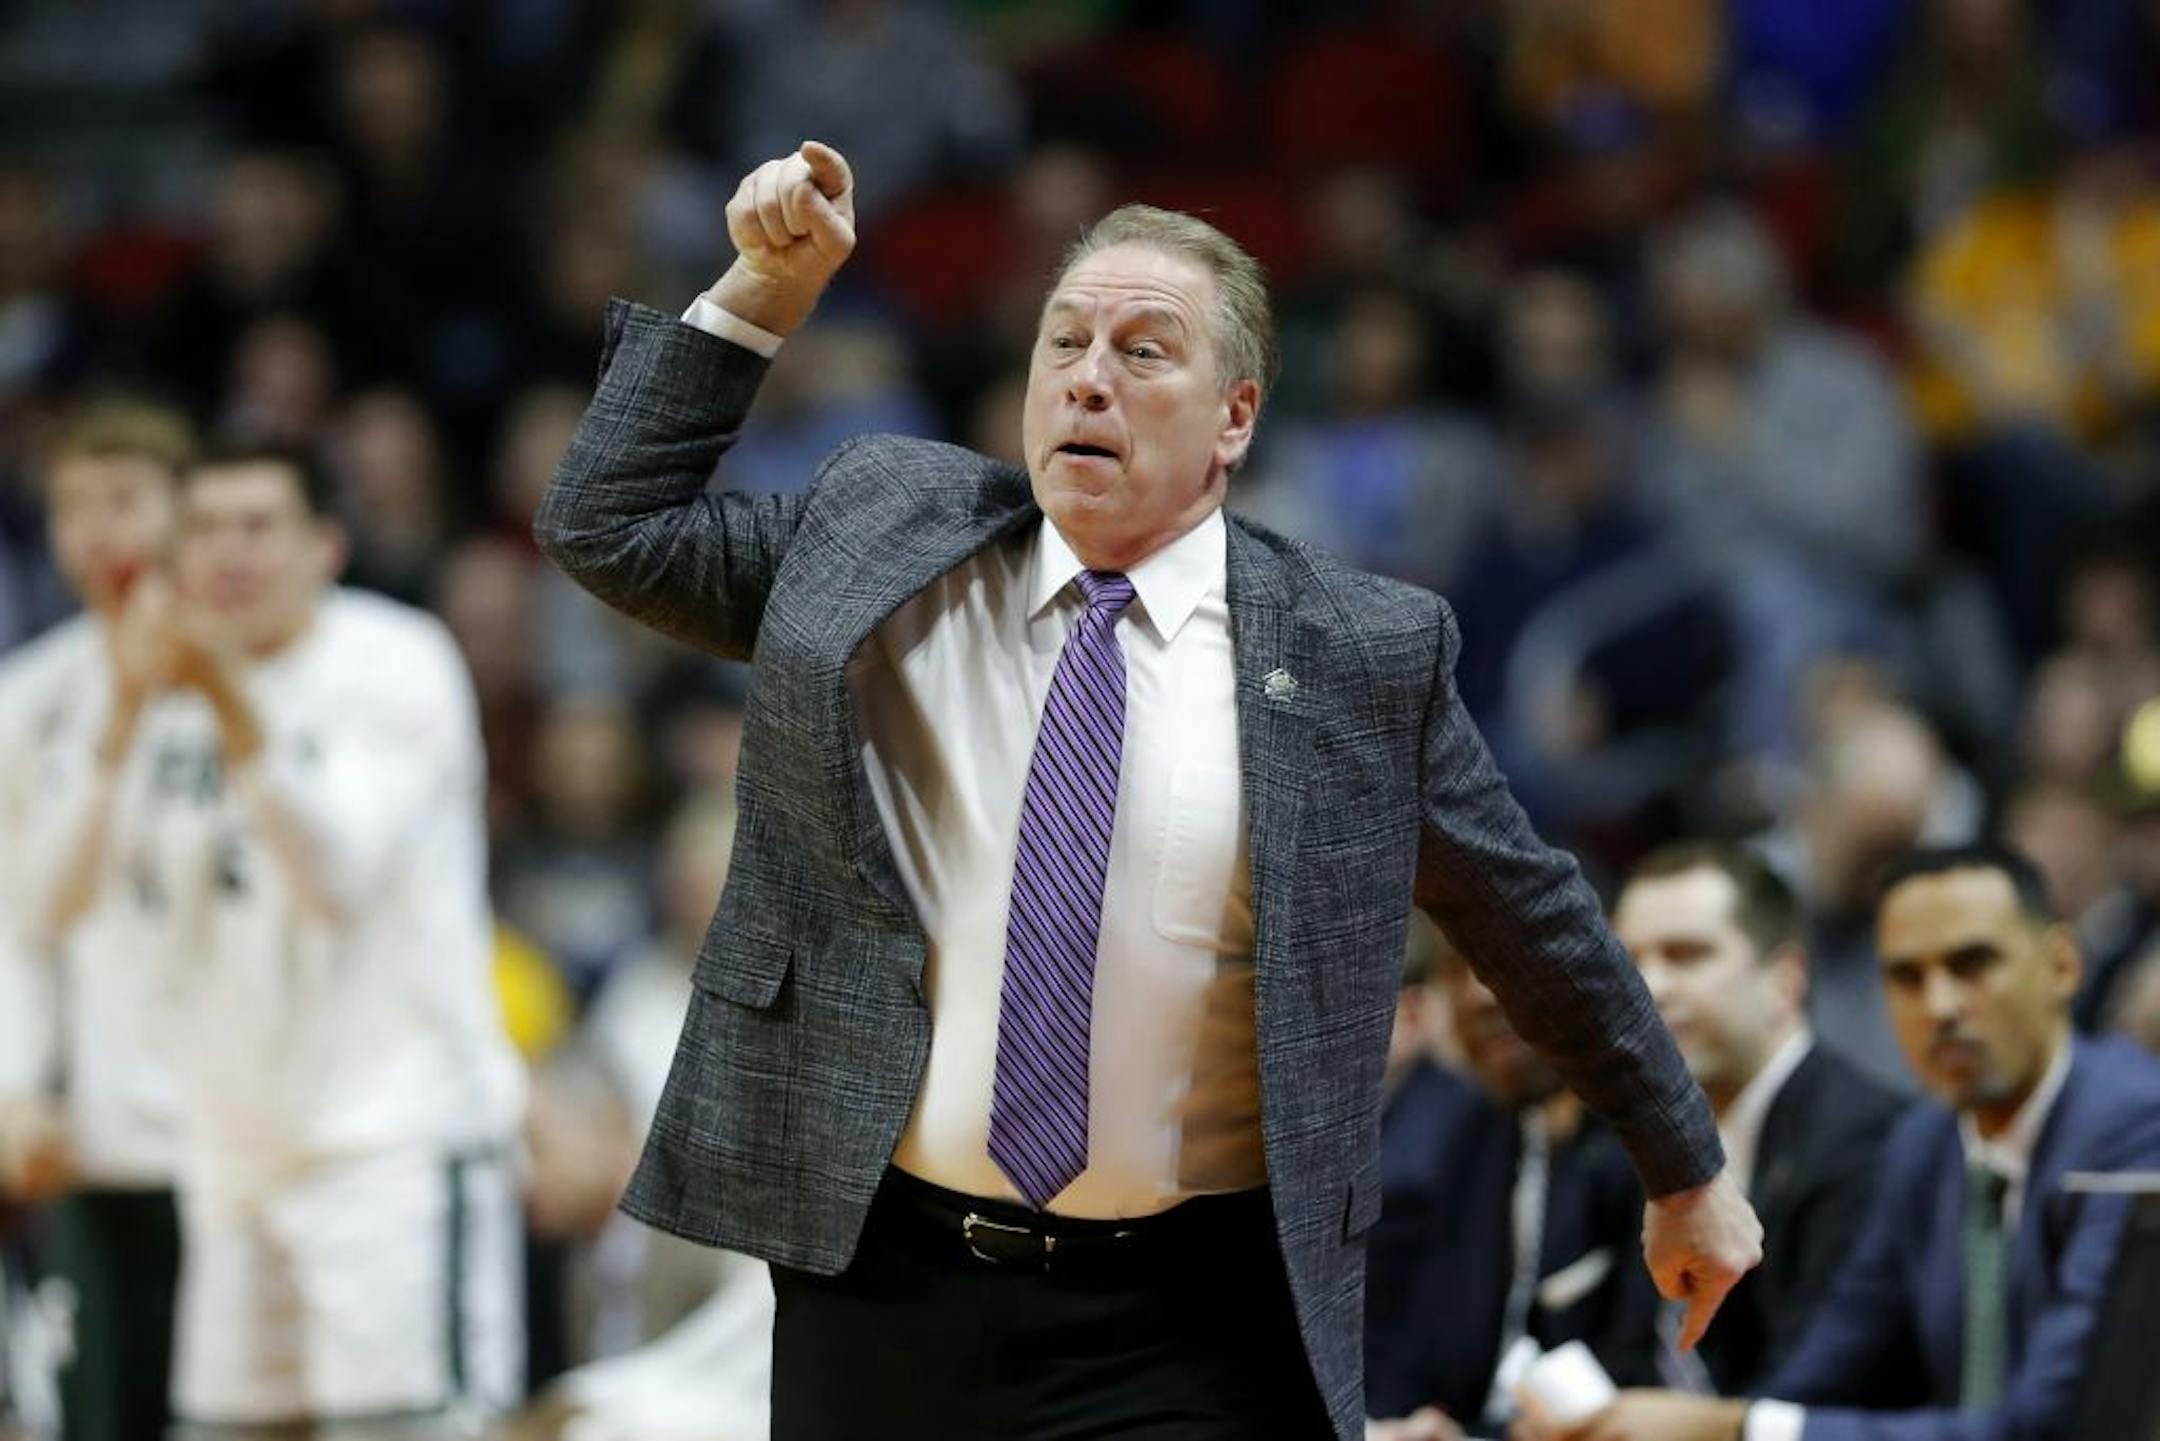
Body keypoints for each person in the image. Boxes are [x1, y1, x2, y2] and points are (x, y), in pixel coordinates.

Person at [534, 140, 1760, 1440]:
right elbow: (605, 524)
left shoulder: (1354, 652)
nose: (1088, 380)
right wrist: (763, 292)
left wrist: (1681, 1163)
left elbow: (1526, 912)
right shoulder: (884, 533)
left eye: (1142, 350)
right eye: (1064, 343)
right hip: (880, 1285)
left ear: (1235, 417)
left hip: (1194, 1323)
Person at [37, 444, 526, 1436]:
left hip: (393, 1137)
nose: (229, 554)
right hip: (228, 1149)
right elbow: (50, 901)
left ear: (325, 546)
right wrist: (126, 713)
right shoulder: (149, 693)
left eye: (259, 526)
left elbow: (336, 878)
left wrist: (224, 696)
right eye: (205, 529)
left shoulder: (395, 660)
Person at [1516, 842, 2160, 1440]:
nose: (1939, 1005)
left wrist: (1728, 1430)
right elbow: (1829, 1367)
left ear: (2062, 966)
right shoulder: (1925, 1143)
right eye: (1907, 977)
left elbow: (2057, 1423)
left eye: (1972, 965)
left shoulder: (2136, 1128)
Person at [0, 399, 194, 1441]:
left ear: (183, 512)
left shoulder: (252, 674)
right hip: (100, 1130)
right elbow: (19, 924)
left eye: (124, 501)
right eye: (73, 507)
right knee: (100, 1411)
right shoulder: (25, 703)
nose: (99, 532)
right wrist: (19, 1087)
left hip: (245, 1128)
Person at [1610, 842, 1904, 1395]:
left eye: (1686, 955)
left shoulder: (1865, 1140)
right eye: (1629, 962)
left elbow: (1819, 1389)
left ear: (1783, 980)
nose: (1650, 989)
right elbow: (1627, 1360)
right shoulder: (1643, 1138)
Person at [1366, 940, 1659, 1438]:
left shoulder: (1640, 1151)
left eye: (1511, 950)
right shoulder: (1475, 1136)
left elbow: (1645, 1394)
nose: (1480, 994)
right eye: (1460, 969)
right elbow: (1418, 1359)